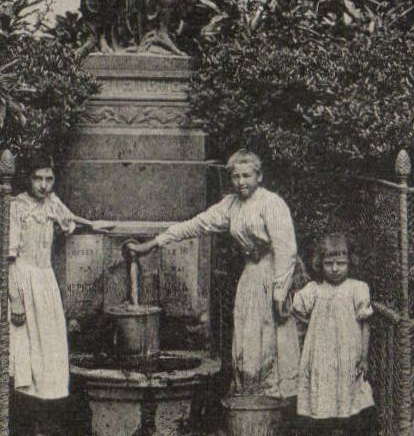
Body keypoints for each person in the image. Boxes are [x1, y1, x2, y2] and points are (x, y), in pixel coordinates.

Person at [127, 150, 299, 401]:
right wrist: (153, 243)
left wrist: (280, 291)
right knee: (247, 334)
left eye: (247, 176)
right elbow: (197, 224)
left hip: (273, 273)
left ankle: (274, 400)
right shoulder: (230, 204)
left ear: (259, 176)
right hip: (251, 275)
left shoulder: (272, 203)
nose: (241, 182)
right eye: (236, 177)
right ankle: (250, 396)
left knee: (271, 334)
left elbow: (286, 249)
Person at [8, 163, 112, 436]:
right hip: (23, 282)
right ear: (28, 179)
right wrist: (15, 299)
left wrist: (92, 225)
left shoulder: (51, 202)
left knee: (49, 356)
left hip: (45, 283)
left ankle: (39, 430)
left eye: (49, 179)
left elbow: (68, 218)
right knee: (25, 359)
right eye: (38, 178)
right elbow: (9, 258)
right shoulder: (17, 207)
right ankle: (20, 432)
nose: (43, 185)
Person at [290, 232, 373, 436]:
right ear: (320, 264)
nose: (335, 268)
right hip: (319, 356)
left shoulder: (357, 289)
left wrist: (364, 356)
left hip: (346, 356)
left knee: (340, 404)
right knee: (318, 400)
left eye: (341, 263)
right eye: (329, 263)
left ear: (350, 263)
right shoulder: (313, 289)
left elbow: (365, 323)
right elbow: (296, 312)